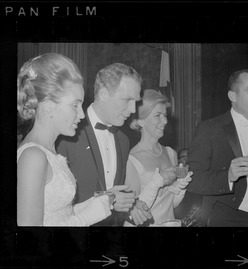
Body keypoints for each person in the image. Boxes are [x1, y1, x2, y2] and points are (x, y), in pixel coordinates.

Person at [17, 53, 112, 226]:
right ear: (48, 105)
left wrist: (92, 205)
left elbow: (56, 214)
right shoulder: (33, 156)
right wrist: (88, 216)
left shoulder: (49, 151)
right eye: (75, 105)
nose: (82, 114)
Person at [56, 63, 152, 226]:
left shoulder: (123, 140)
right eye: (127, 100)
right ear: (103, 94)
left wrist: (130, 206)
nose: (132, 110)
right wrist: (111, 200)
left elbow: (114, 196)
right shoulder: (65, 135)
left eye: (135, 102)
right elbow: (53, 208)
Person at [187, 69, 248, 227]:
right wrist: (228, 176)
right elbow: (192, 179)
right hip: (225, 218)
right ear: (232, 96)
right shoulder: (209, 129)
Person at [124, 89, 193, 226]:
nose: (165, 120)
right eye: (158, 115)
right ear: (141, 121)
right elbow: (137, 211)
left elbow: (171, 204)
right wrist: (156, 182)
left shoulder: (171, 153)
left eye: (165, 115)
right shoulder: (132, 160)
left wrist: (180, 187)